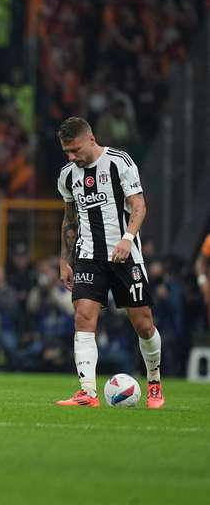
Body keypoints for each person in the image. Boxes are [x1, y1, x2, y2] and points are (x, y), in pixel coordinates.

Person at [55, 117, 163, 408]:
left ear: (91, 139)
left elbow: (139, 205)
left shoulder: (119, 162)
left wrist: (128, 238)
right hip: (89, 256)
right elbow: (70, 219)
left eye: (75, 149)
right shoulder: (67, 175)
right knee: (83, 316)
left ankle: (154, 382)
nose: (71, 157)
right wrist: (66, 260)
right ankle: (87, 392)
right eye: (67, 151)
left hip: (124, 255)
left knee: (143, 324)